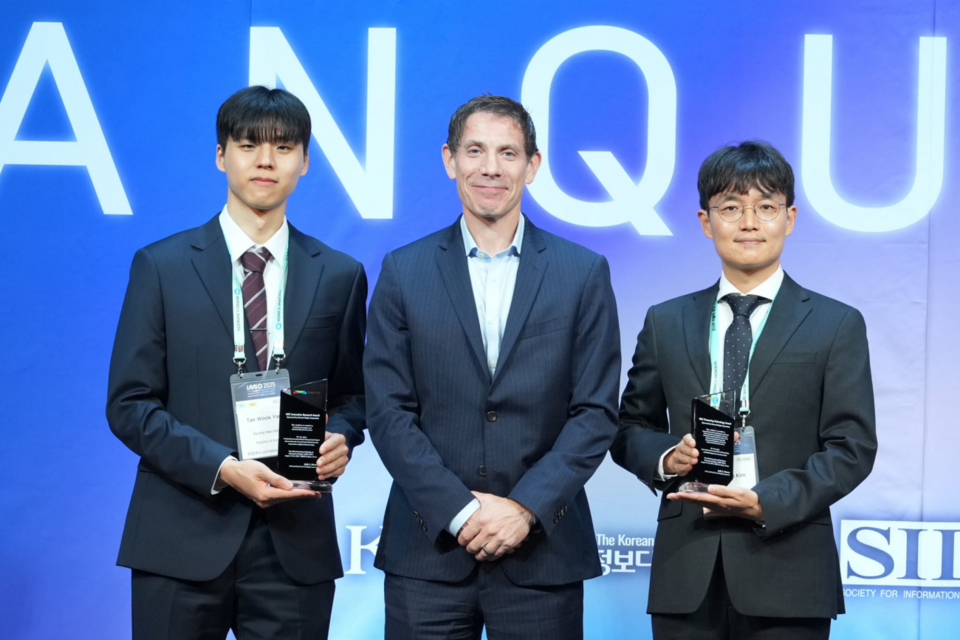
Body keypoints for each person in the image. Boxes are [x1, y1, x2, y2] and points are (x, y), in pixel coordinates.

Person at [106, 86, 366, 640]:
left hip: (294, 544)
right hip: (179, 536)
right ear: (221, 156)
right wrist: (222, 468)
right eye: (249, 145)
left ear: (305, 161)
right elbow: (130, 404)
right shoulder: (161, 265)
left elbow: (353, 396)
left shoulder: (339, 274)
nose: (266, 161)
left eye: (284, 147)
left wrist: (341, 436)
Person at [364, 94, 621, 640]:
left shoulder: (582, 273)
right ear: (449, 159)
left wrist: (525, 508)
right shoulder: (403, 271)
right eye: (475, 150)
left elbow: (595, 411)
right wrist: (458, 511)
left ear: (533, 165)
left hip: (541, 556)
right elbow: (388, 411)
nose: (490, 168)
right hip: (427, 551)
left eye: (508, 153)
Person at [612, 141, 877, 639]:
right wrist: (669, 457)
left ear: (790, 218)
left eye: (766, 207)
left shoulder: (835, 324)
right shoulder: (665, 320)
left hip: (789, 568)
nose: (749, 222)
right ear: (705, 221)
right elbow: (630, 427)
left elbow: (852, 447)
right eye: (731, 207)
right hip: (685, 569)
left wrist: (767, 500)